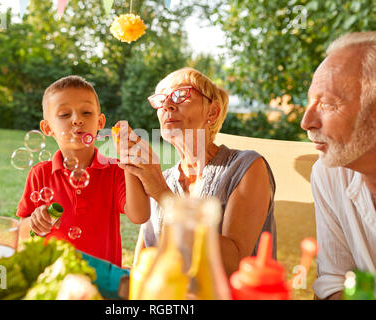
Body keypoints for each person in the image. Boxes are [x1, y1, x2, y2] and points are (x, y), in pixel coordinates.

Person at [115, 67, 277, 276]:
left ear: (212, 112)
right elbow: (142, 268)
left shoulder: (246, 166)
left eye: (181, 95)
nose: (168, 105)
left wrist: (163, 196)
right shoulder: (161, 179)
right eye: (160, 100)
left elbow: (234, 264)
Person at [16, 75, 150, 267]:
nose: (77, 120)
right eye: (64, 114)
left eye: (86, 112)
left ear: (100, 122)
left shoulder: (116, 170)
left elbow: (140, 216)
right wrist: (35, 222)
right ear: (47, 128)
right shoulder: (40, 174)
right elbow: (22, 231)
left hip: (102, 283)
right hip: (55, 278)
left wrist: (128, 161)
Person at [300, 31, 376, 300]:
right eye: (309, 102)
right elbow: (333, 280)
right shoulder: (329, 173)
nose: (306, 121)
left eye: (327, 103)